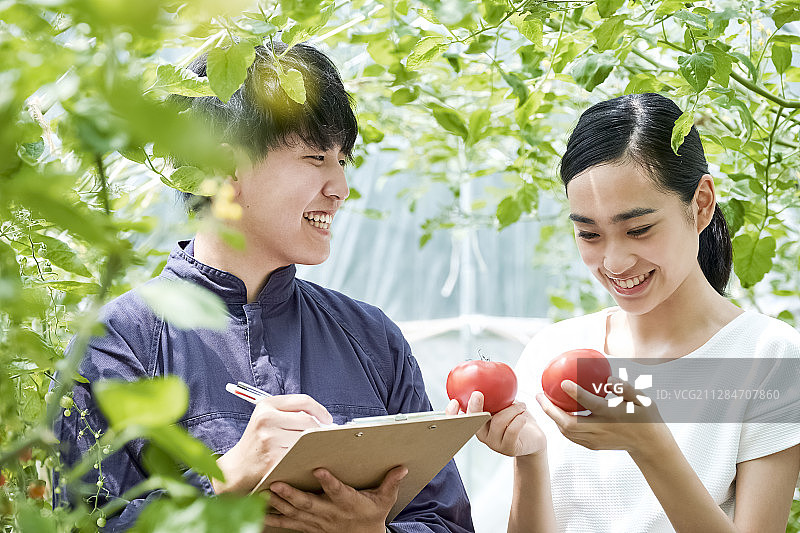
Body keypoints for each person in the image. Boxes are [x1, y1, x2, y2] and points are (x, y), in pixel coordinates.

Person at [53, 41, 474, 532]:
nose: (340, 188)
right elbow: (77, 524)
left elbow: (447, 523)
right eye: (316, 157)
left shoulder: (372, 338)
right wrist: (224, 480)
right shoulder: (117, 343)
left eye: (343, 160)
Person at [447, 93, 800, 532]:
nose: (614, 263)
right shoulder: (555, 349)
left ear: (701, 204)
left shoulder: (768, 356)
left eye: (639, 229)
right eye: (589, 234)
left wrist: (650, 445)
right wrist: (530, 458)